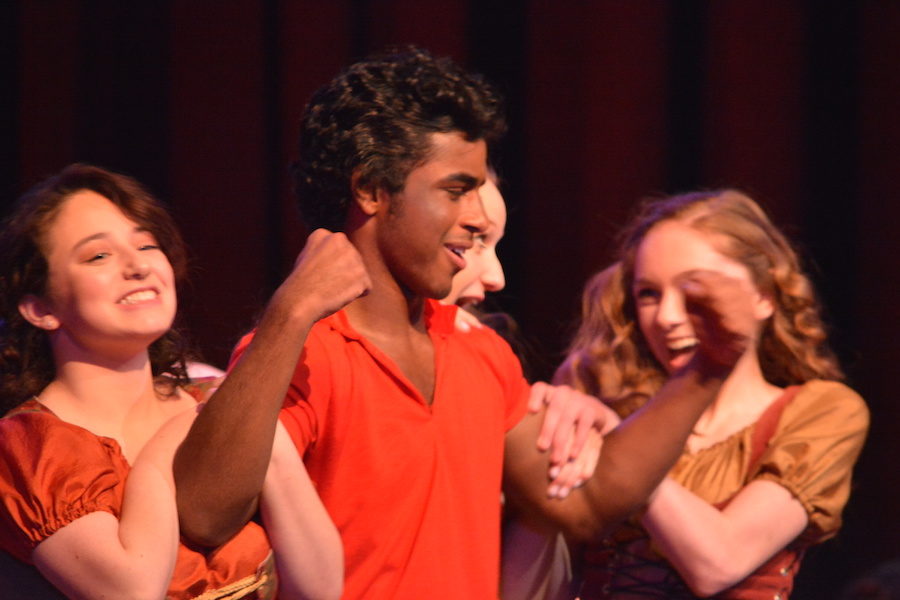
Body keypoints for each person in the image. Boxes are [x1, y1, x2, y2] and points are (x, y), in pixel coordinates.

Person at [173, 47, 760, 598]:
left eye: (479, 190)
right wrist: (289, 313)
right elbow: (203, 513)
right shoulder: (306, 350)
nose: (478, 216)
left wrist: (706, 371)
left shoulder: (478, 353)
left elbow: (582, 503)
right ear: (372, 189)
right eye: (457, 190)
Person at [0, 164, 345, 599]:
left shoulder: (213, 401)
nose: (138, 266)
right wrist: (169, 450)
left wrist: (240, 416)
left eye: (147, 245)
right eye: (98, 256)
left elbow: (321, 587)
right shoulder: (30, 445)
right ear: (39, 308)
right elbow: (132, 591)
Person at [555, 189, 869, 598]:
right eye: (649, 293)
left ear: (762, 296)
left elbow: (718, 563)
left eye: (694, 289)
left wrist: (618, 449)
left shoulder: (822, 411)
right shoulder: (609, 406)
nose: (667, 317)